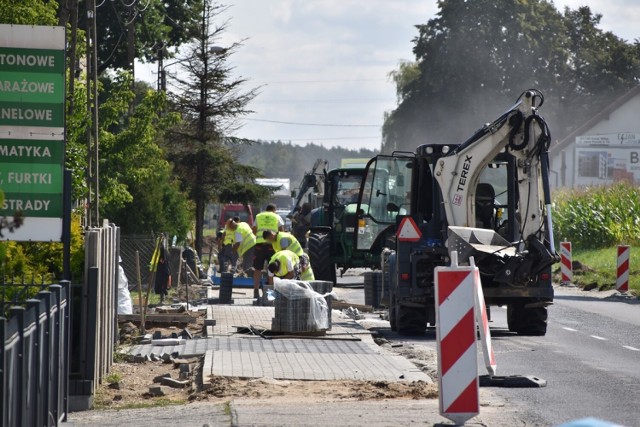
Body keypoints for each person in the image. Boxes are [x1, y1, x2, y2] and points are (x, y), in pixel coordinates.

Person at [252, 204, 284, 298]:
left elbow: (254, 230)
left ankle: (256, 290)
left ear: (266, 209)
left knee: (258, 268)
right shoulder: (277, 216)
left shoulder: (258, 216)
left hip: (259, 246)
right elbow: (281, 231)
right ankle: (272, 291)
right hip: (272, 245)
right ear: (274, 210)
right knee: (274, 268)